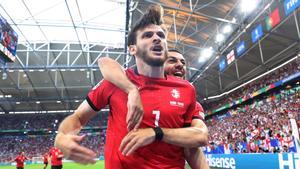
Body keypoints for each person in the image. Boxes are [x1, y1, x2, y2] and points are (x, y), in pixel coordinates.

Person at [55, 5, 208, 169]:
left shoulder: (186, 90)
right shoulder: (116, 82)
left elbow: (194, 146)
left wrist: (155, 133)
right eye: (148, 35)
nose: (157, 38)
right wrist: (61, 137)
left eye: (161, 35)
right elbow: (78, 117)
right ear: (132, 49)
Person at [99, 49, 209, 169]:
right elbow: (105, 63)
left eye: (183, 62)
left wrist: (156, 132)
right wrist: (130, 89)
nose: (180, 65)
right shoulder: (135, 89)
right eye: (172, 60)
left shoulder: (192, 103)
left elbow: (197, 141)